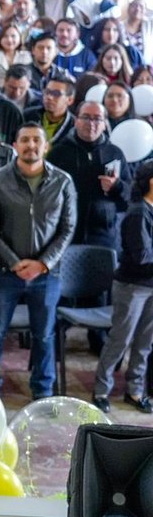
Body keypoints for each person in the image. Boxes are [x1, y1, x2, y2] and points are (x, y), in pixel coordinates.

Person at [0, 123, 76, 399]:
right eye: (25, 140)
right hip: (4, 272)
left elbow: (68, 228)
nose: (31, 145)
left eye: (36, 140)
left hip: (46, 274)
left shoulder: (63, 181)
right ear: (15, 145)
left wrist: (42, 263)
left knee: (44, 335)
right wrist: (13, 263)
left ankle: (43, 391)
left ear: (46, 146)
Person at [92, 159, 153, 414]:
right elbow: (141, 255)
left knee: (145, 342)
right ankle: (100, 391)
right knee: (120, 339)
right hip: (132, 286)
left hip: (150, 286)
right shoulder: (138, 211)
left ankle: (135, 390)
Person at [45, 100, 131, 250]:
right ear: (76, 121)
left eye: (97, 118)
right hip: (63, 234)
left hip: (104, 234)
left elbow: (130, 197)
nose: (91, 123)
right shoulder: (58, 153)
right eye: (85, 117)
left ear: (104, 124)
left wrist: (116, 186)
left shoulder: (114, 153)